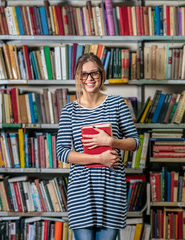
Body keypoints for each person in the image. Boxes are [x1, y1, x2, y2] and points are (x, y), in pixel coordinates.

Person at [56, 53, 140, 240]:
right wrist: (98, 159)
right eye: (84, 74)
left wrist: (111, 141)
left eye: (94, 73)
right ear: (78, 78)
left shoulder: (117, 104)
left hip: (112, 187)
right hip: (81, 190)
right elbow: (61, 152)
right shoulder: (69, 111)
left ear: (101, 74)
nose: (89, 78)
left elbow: (135, 142)